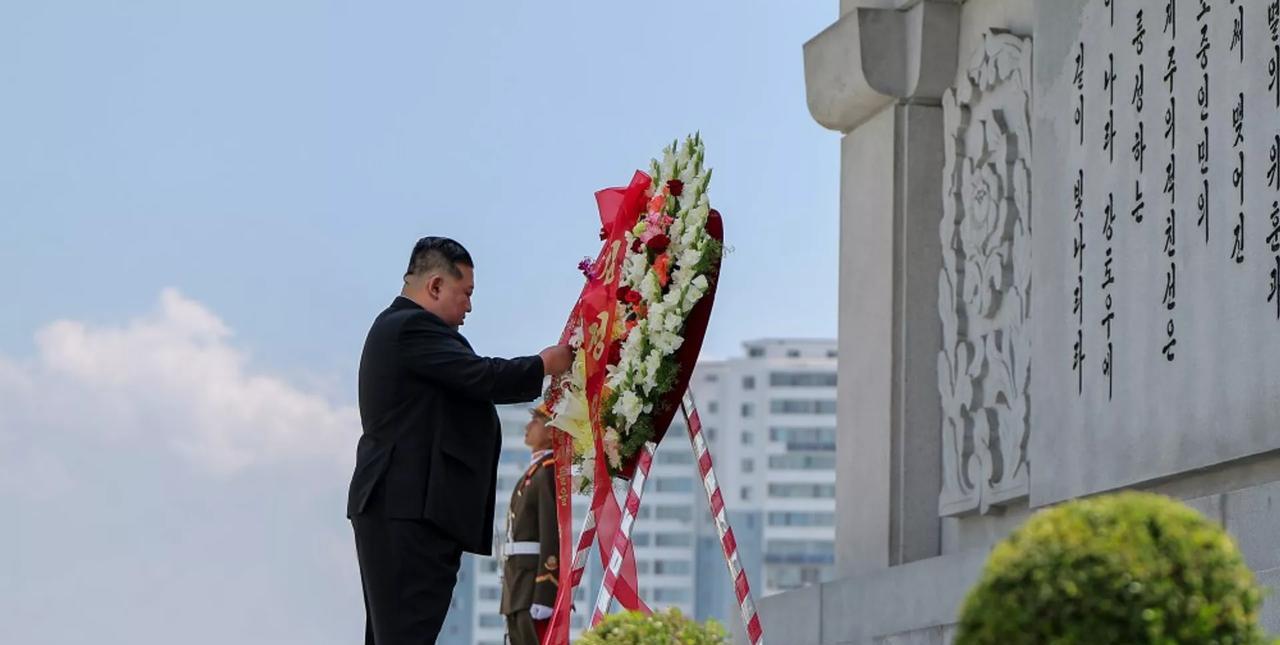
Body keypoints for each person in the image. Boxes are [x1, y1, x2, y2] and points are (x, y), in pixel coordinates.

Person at [347, 236, 573, 644]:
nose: (469, 306)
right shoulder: (410, 327)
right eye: (465, 293)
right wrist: (544, 365)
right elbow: (480, 376)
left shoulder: (402, 330)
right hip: (408, 508)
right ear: (435, 285)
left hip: (407, 508)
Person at [500, 404, 561, 645]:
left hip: (531, 587)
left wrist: (545, 592)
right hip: (518, 585)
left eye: (535, 420)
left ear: (551, 431)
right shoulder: (534, 473)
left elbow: (551, 534)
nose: (528, 426)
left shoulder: (546, 472)